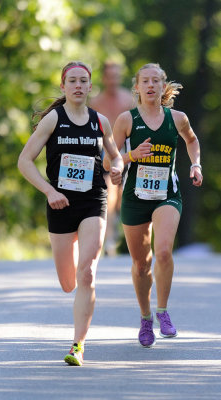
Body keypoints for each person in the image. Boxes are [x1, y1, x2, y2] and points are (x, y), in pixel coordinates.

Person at [18, 61, 123, 366]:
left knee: (87, 272)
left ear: (91, 87)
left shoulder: (100, 121)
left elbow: (115, 157)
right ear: (63, 87)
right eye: (72, 81)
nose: (78, 86)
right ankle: (76, 282)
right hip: (60, 204)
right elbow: (24, 161)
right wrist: (50, 192)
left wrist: (116, 170)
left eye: (83, 81)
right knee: (69, 283)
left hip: (93, 201)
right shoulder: (53, 119)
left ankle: (78, 344)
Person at [103, 63, 203, 347]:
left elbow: (192, 141)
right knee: (140, 264)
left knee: (163, 253)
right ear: (136, 87)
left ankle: (163, 311)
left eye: (155, 81)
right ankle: (145, 318)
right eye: (144, 81)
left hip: (167, 195)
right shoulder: (126, 120)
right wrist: (132, 154)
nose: (150, 86)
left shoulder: (177, 118)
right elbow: (108, 160)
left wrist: (195, 164)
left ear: (162, 86)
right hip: (135, 197)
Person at [89, 62, 134, 256]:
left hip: (127, 150)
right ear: (104, 78)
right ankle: (108, 240)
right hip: (104, 151)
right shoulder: (96, 102)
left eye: (117, 75)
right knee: (109, 192)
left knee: (123, 197)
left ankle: (114, 229)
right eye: (110, 76)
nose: (113, 79)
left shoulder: (129, 100)